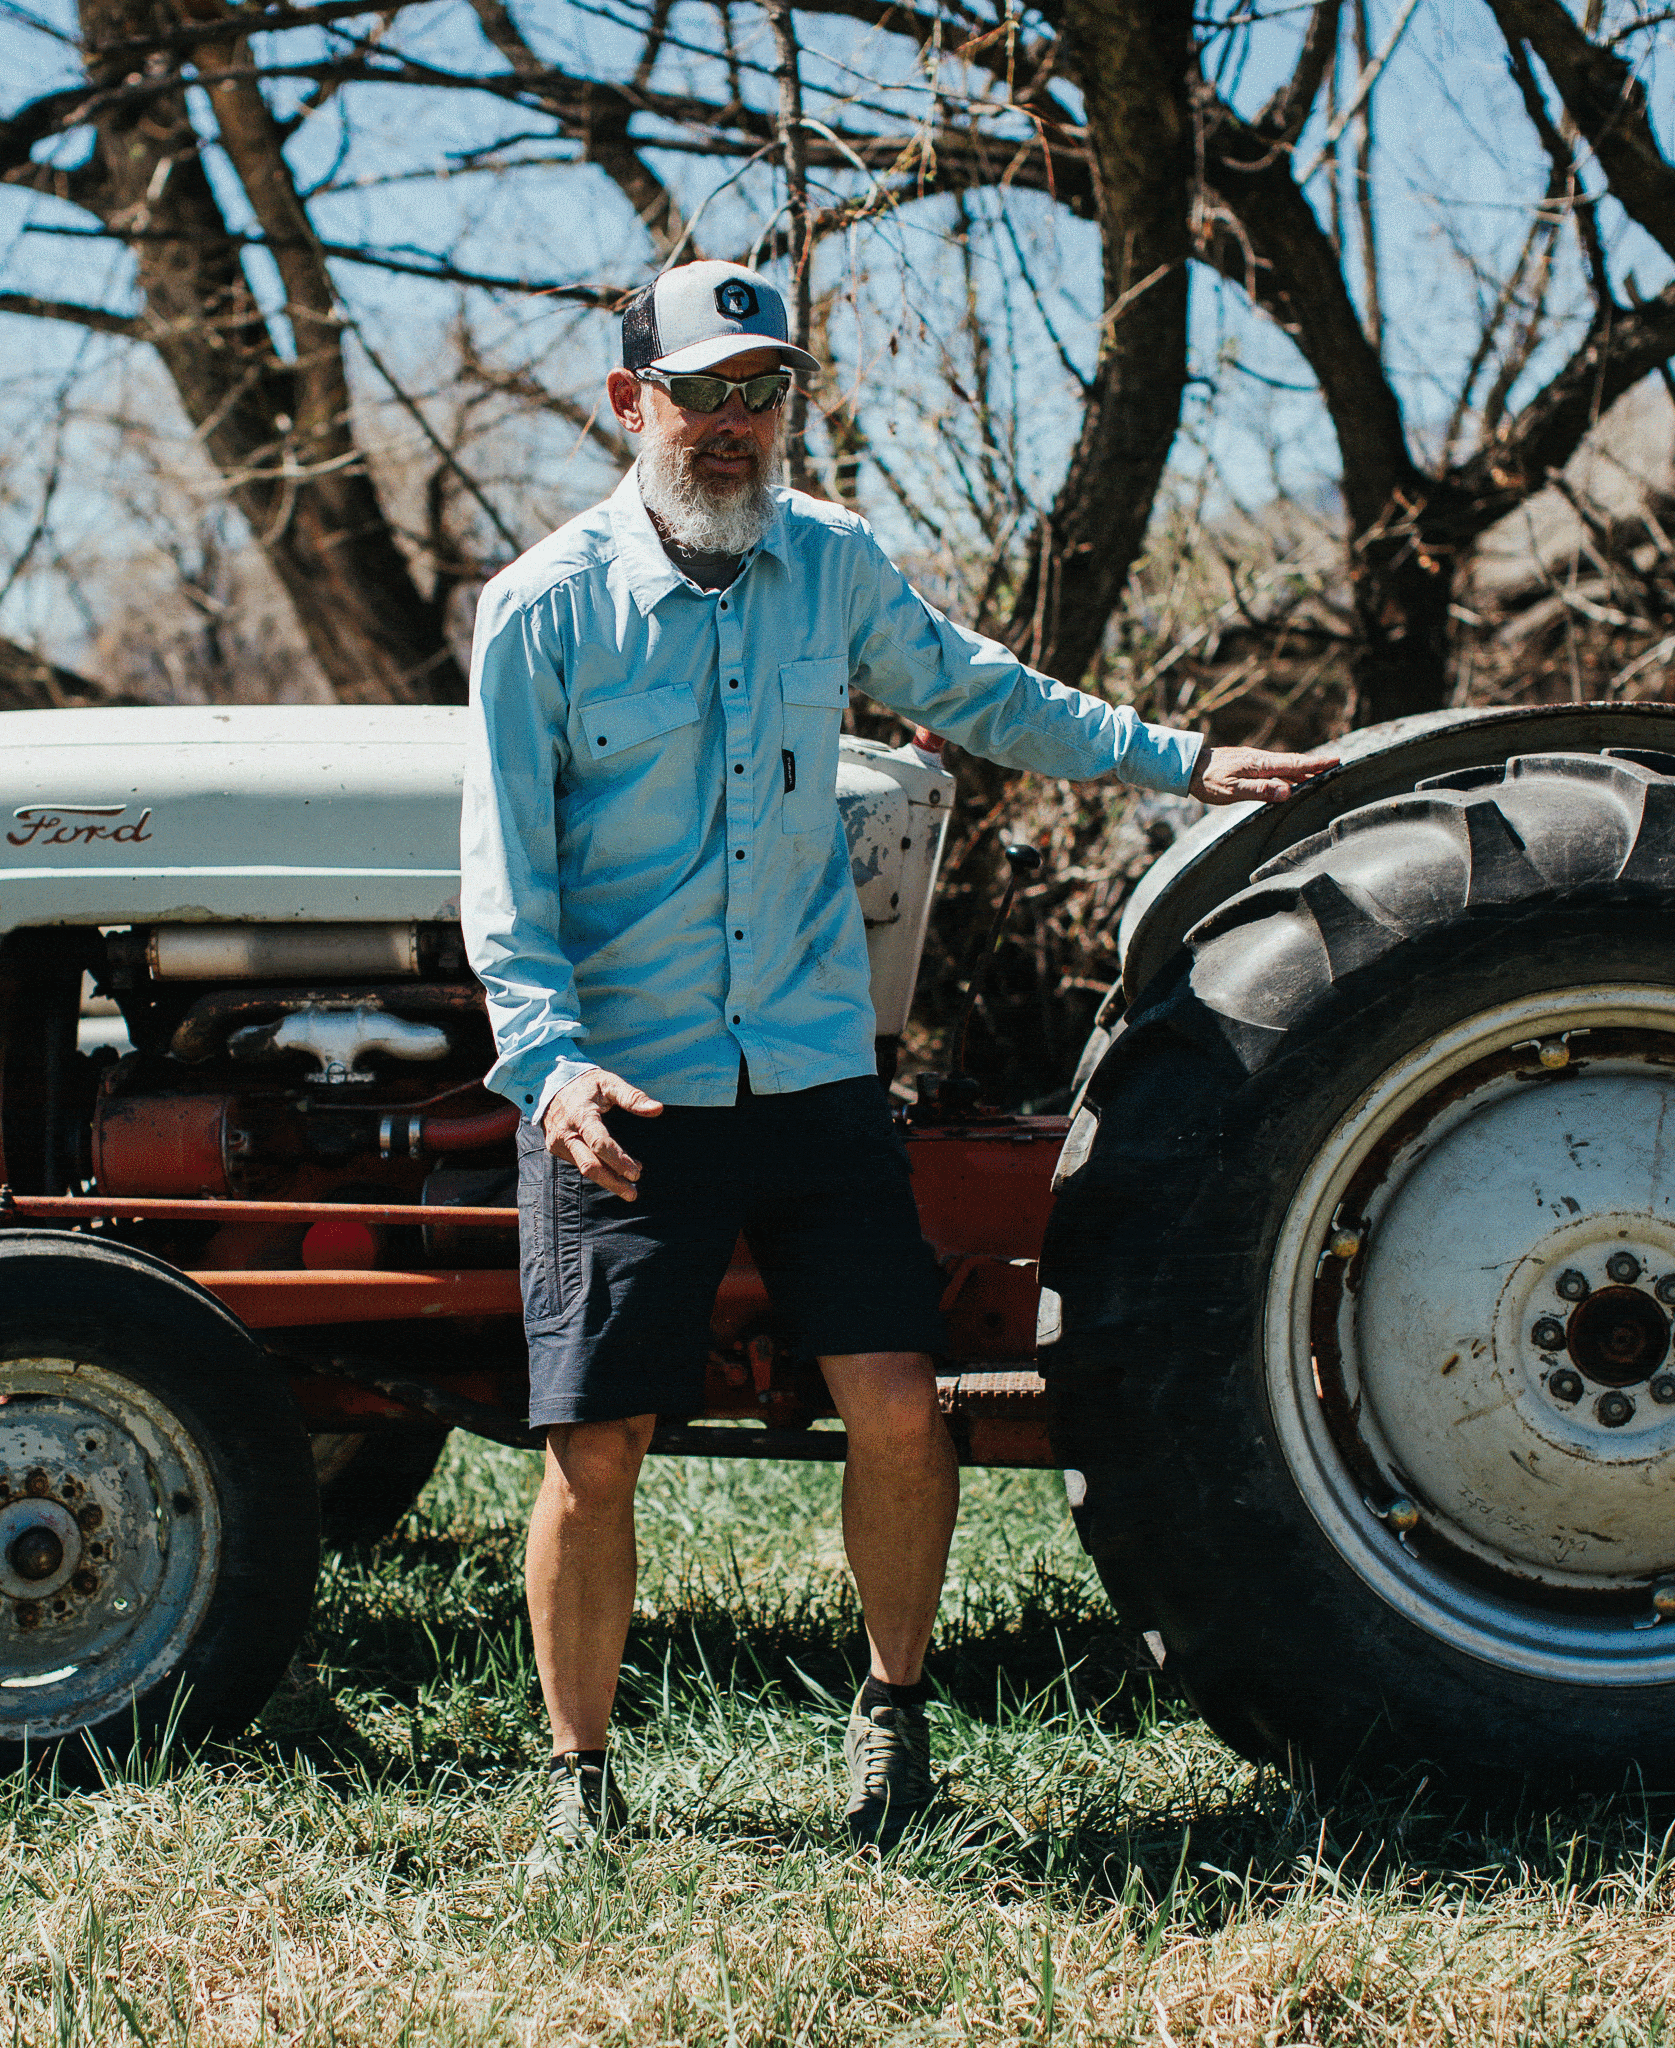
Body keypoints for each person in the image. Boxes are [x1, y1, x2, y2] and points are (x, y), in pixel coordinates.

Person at [459, 258, 1336, 1867]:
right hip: (624, 1094)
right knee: (596, 1446)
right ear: (625, 404)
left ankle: (894, 1720)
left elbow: (985, 696)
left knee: (902, 1407)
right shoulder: (542, 613)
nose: (731, 426)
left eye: (761, 393)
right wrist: (552, 1065)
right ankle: (582, 1784)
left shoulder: (833, 566)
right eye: (699, 393)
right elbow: (505, 883)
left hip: (808, 1074)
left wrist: (1185, 762)